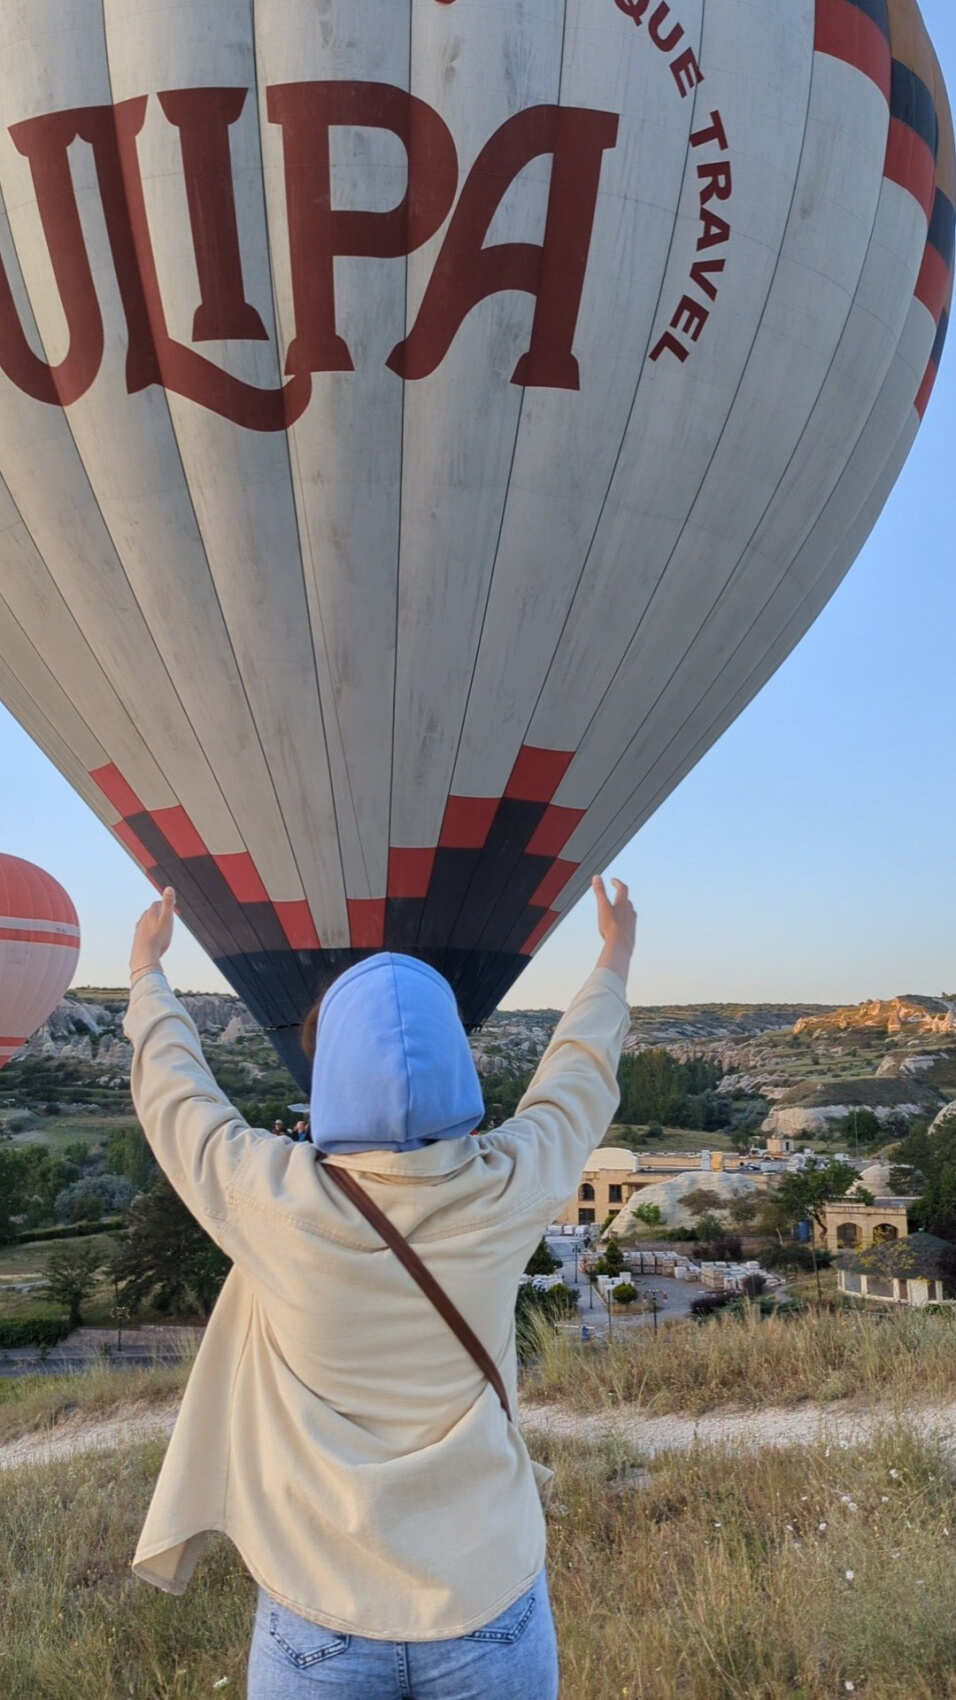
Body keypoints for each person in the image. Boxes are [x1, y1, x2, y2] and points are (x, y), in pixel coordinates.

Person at [123, 875, 636, 1699]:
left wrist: (148, 974)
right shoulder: (510, 1188)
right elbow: (577, 1081)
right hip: (485, 1594)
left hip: (322, 1602)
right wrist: (613, 957)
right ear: (458, 1069)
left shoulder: (271, 1197)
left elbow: (177, 1096)